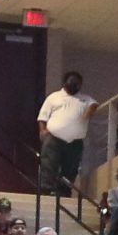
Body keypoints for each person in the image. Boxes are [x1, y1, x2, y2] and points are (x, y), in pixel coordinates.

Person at [35, 69, 100, 200]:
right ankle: (46, 192)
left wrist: (90, 111)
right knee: (49, 165)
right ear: (65, 82)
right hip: (53, 138)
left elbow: (94, 104)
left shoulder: (85, 99)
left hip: (75, 142)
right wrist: (42, 131)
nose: (74, 85)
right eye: (71, 82)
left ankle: (64, 193)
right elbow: (42, 117)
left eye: (77, 83)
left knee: (71, 169)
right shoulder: (54, 97)